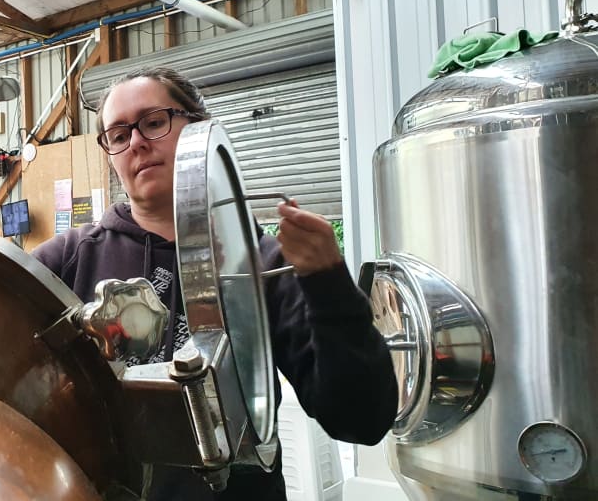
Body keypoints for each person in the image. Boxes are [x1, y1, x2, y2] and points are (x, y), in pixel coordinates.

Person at [32, 66, 398, 500]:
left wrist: (329, 283)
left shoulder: (259, 260)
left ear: (199, 128)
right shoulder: (65, 259)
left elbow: (361, 419)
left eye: (153, 122)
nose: (136, 142)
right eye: (118, 134)